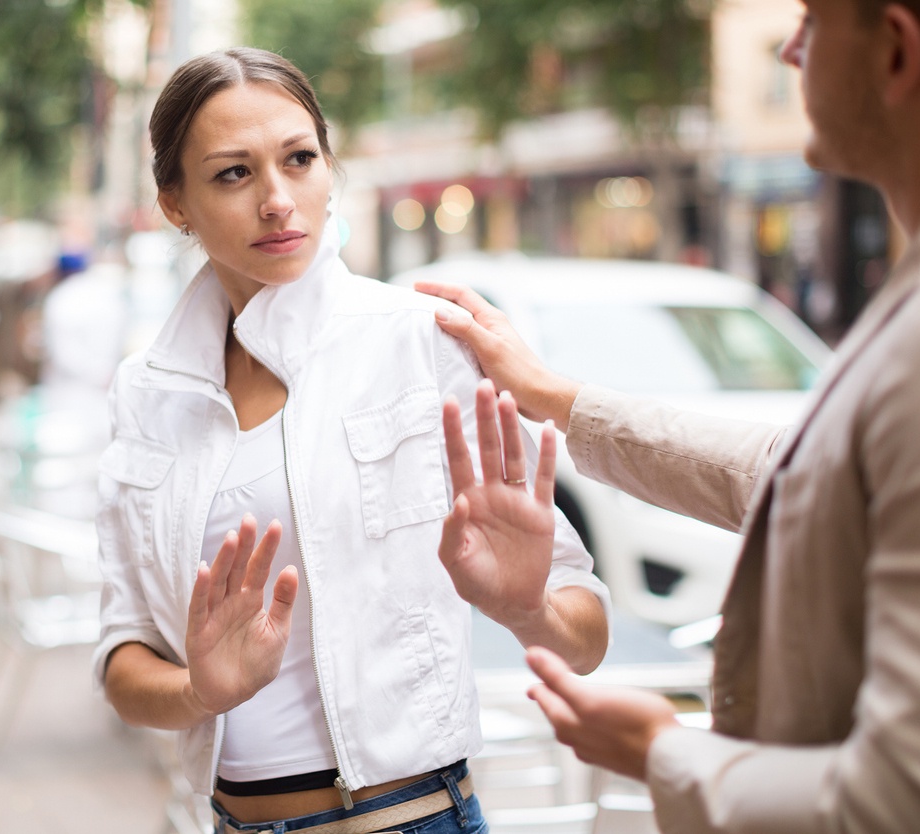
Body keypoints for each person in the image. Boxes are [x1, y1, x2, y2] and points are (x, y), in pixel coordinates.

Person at [419, 1, 920, 831]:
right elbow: (796, 471)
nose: (790, 49)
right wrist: (556, 399)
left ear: (898, 50)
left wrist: (665, 754)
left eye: (809, 20)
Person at [92, 47, 611, 834]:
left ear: (328, 168)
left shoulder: (417, 341)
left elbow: (585, 636)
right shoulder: (146, 390)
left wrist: (526, 605)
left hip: (407, 818)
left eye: (299, 160)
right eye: (233, 173)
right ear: (175, 203)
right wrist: (202, 691)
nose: (277, 200)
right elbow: (124, 656)